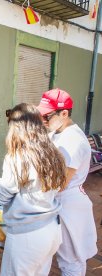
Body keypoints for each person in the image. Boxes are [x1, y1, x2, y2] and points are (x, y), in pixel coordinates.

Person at [0, 103, 67, 276]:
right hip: (51, 229)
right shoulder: (51, 151)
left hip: (28, 236)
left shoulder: (19, 155)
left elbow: (4, 193)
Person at [37, 88, 97, 276]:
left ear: (64, 113)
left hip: (68, 205)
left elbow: (59, 183)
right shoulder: (56, 132)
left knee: (70, 261)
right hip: (54, 202)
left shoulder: (73, 140)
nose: (43, 121)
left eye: (47, 116)